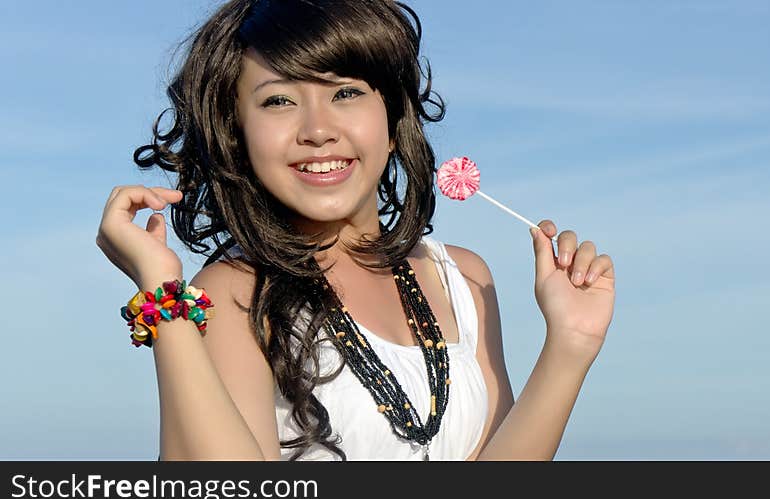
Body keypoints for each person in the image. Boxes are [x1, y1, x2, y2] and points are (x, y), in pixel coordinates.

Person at [96, 0, 615, 461]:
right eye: (279, 101)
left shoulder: (463, 277)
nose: (318, 130)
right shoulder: (231, 292)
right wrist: (162, 294)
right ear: (238, 136)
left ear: (393, 122)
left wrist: (570, 345)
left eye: (345, 92)